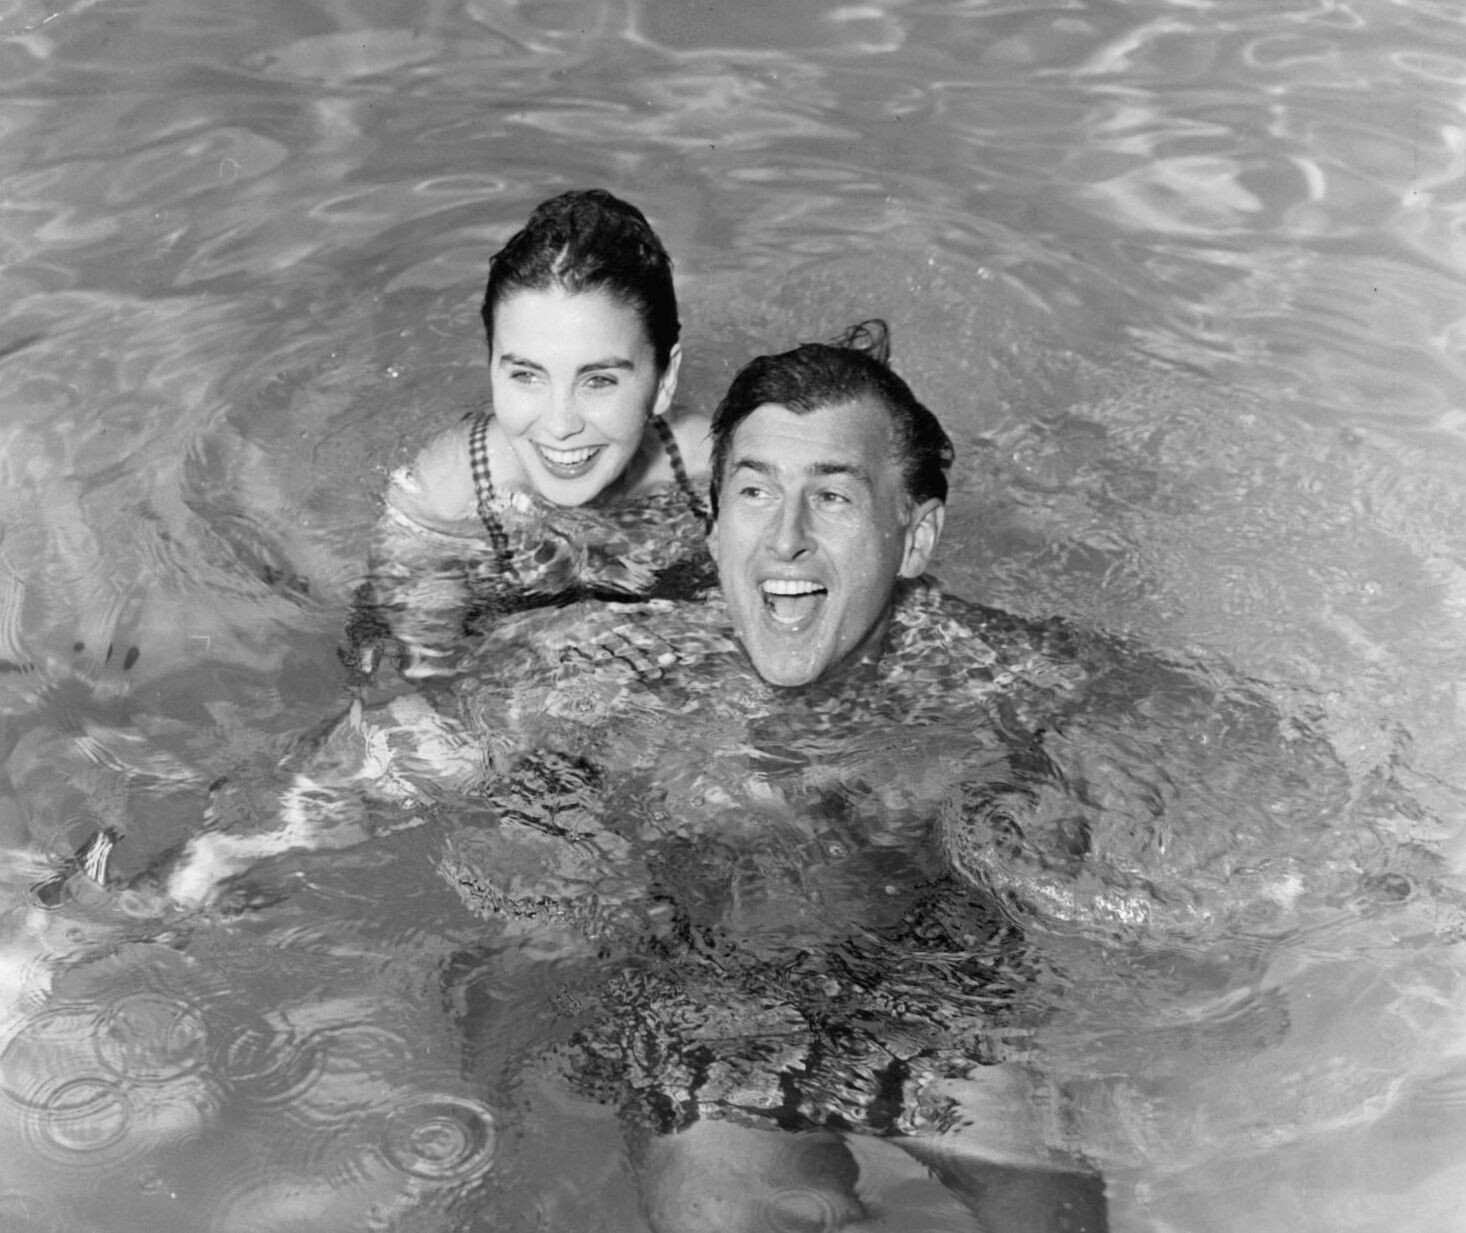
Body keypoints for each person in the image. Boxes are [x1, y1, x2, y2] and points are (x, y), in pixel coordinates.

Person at [93, 326, 1364, 1230]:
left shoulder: (1003, 673)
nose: (786, 539)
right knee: (722, 1209)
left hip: (943, 992)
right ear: (711, 523)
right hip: (708, 1010)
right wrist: (164, 884)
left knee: (1049, 1211)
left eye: (833, 497)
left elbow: (1250, 763)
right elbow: (366, 768)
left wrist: (1326, 880)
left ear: (915, 533)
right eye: (752, 492)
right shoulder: (610, 666)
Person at [343, 188, 715, 682]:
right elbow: (424, 679)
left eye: (598, 380)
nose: (560, 425)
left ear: (665, 380)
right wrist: (540, 636)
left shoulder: (704, 465)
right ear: (491, 366)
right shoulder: (444, 498)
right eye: (526, 375)